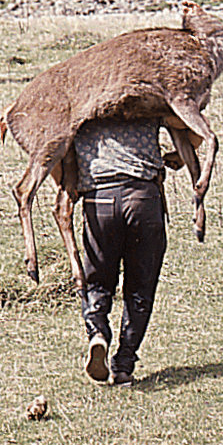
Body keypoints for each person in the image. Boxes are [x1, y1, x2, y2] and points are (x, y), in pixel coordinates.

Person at [71, 117, 175, 385]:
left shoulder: (85, 104)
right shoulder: (145, 99)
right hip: (143, 198)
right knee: (141, 286)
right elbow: (192, 130)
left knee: (97, 280)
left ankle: (98, 334)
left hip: (99, 198)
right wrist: (180, 156)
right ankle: (124, 364)